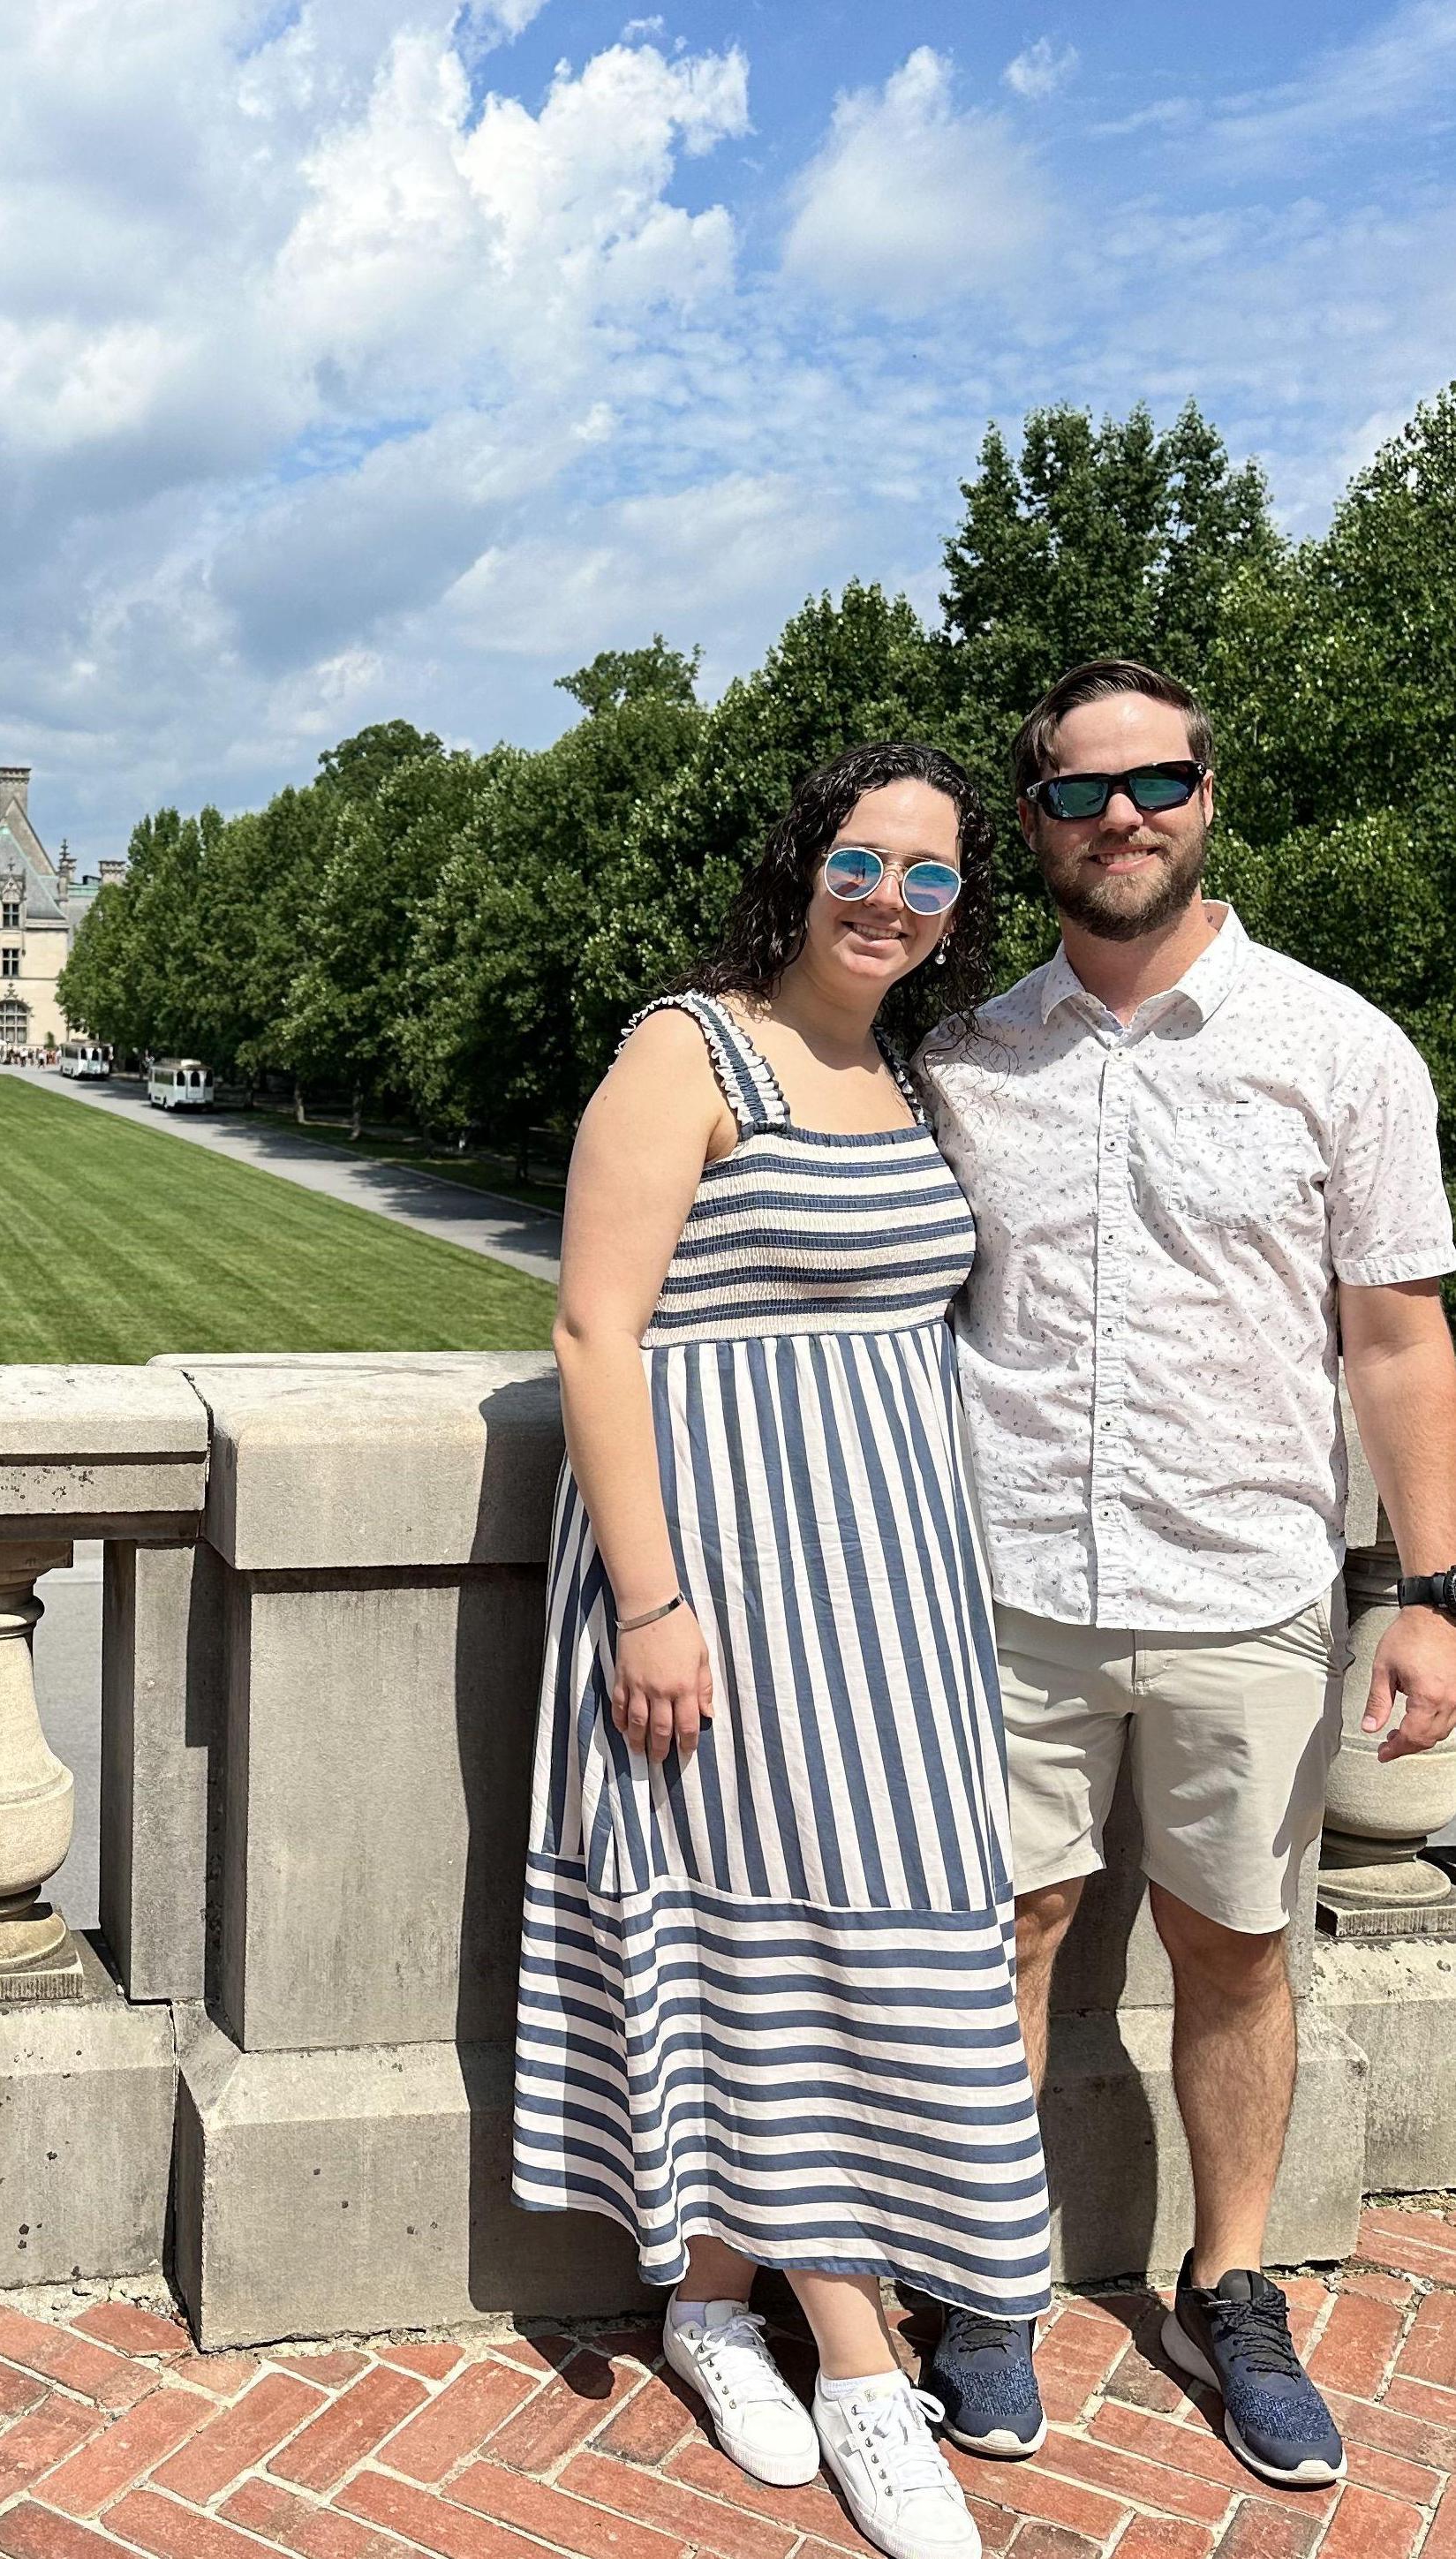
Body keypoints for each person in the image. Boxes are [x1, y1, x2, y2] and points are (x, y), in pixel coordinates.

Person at [919, 659, 1456, 2488]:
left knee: (1236, 1949)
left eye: (1156, 781)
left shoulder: (1340, 1045)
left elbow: (1394, 1342)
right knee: (1006, 1935)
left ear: (1209, 797)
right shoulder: (967, 1060)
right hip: (1002, 1591)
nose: (1122, 815)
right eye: (1079, 792)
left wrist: (1440, 1593)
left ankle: (1230, 2289)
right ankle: (992, 2283)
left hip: (1246, 1589)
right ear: (1036, 824)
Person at [515, 742, 1045, 2559]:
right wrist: (652, 1603)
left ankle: (713, 2303)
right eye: (862, 861)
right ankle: (861, 2363)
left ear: (962, 910)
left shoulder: (911, 1076)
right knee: (769, 1943)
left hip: (888, 1600)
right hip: (719, 1587)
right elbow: (598, 1331)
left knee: (848, 1945)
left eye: (933, 877)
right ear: (802, 864)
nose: (891, 898)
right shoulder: (690, 1049)